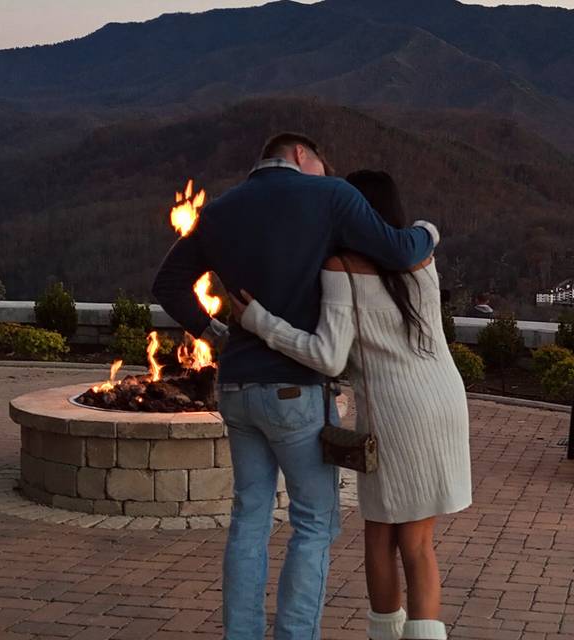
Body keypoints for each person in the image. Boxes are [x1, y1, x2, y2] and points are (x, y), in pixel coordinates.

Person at [151, 133, 438, 640]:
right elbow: (396, 249)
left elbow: (168, 284)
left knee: (248, 520)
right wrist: (428, 232)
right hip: (296, 390)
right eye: (322, 165)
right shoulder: (329, 194)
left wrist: (216, 332)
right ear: (302, 156)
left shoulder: (218, 210)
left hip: (237, 388)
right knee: (312, 523)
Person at [233, 170, 471, 640]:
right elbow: (427, 230)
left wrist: (261, 322)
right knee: (412, 539)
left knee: (389, 538)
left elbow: (327, 355)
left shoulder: (340, 268)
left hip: (395, 410)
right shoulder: (421, 255)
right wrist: (425, 232)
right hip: (445, 397)